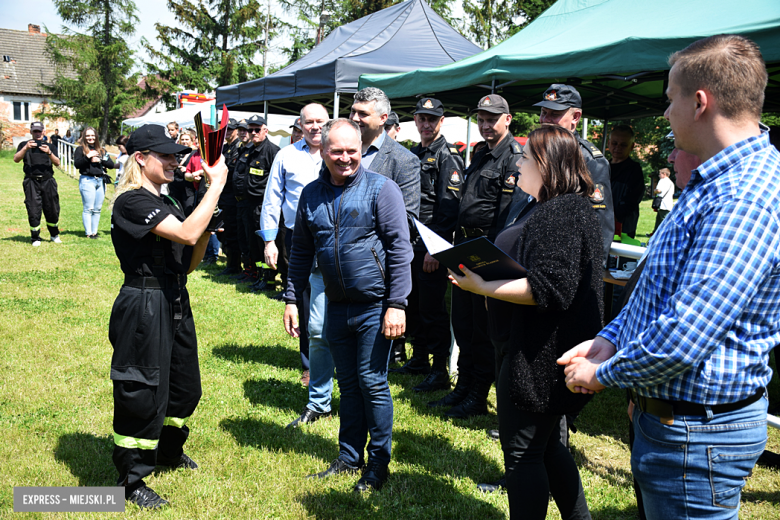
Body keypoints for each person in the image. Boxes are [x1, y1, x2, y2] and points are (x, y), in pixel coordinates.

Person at [559, 34, 779, 520]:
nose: (664, 115)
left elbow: (685, 333)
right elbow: (658, 288)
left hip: (696, 436)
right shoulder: (717, 181)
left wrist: (602, 374)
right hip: (680, 426)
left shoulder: (745, 195)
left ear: (700, 102)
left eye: (670, 100)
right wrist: (610, 340)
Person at [451, 125, 601, 520]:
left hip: (539, 353)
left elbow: (551, 288)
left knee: (522, 454)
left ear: (547, 165)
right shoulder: (557, 206)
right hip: (537, 348)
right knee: (548, 448)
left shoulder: (560, 212)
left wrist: (484, 286)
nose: (518, 165)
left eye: (526, 159)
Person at [283, 118, 412, 492]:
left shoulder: (381, 189)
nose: (345, 158)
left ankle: (378, 465)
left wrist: (397, 304)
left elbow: (400, 248)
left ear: (362, 150)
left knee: (372, 383)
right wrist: (291, 298)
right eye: (336, 151)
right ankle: (349, 456)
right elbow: (301, 252)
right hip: (336, 305)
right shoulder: (311, 195)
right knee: (350, 386)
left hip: (376, 306)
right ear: (323, 151)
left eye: (352, 151)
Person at [107, 124, 227, 509]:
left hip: (174, 297)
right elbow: (186, 234)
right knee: (142, 391)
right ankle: (130, 480)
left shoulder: (168, 201)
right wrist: (215, 187)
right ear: (141, 159)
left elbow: (189, 260)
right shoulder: (132, 201)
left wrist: (207, 228)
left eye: (177, 154)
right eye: (166, 155)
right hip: (144, 303)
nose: (175, 161)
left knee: (185, 387)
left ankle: (168, 452)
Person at [430, 94, 521, 419]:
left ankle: (478, 395)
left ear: (507, 120)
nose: (485, 125)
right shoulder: (481, 153)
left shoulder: (513, 158)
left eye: (492, 119)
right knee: (464, 325)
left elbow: (507, 217)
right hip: (464, 251)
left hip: (487, 255)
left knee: (482, 330)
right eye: (481, 119)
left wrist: (493, 265)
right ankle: (463, 388)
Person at [260, 103, 330, 415]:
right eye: (309, 122)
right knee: (301, 298)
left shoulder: (338, 151)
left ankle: (336, 357)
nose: (315, 127)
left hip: (333, 237)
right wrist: (270, 240)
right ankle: (310, 364)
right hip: (295, 237)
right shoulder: (286, 155)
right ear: (299, 125)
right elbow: (273, 196)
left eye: (320, 121)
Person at [391, 97, 462, 394]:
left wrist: (436, 249)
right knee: (416, 305)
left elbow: (449, 208)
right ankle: (419, 358)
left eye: (432, 119)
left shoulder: (449, 156)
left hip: (432, 245)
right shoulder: (413, 153)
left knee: (433, 309)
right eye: (421, 118)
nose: (426, 124)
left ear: (441, 122)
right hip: (412, 243)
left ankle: (438, 369)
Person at [349, 87, 421, 364]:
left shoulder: (404, 160)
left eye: (362, 113)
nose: (354, 117)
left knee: (371, 355)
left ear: (383, 118)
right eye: (353, 111)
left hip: (376, 265)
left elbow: (409, 218)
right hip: (340, 263)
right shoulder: (342, 151)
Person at [534, 84, 615, 263]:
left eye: (554, 114)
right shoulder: (536, 153)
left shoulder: (589, 160)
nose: (545, 120)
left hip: (565, 264)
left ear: (575, 117)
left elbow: (599, 226)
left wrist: (589, 279)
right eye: (543, 112)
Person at [233, 115, 280, 288]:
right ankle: (259, 275)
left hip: (262, 205)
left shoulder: (272, 151)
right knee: (252, 243)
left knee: (263, 243)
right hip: (248, 204)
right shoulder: (250, 149)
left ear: (265, 131)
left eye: (256, 130)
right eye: (250, 129)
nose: (253, 133)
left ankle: (269, 278)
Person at [14, 121, 62, 246]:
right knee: (33, 209)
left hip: (48, 180)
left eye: (39, 131)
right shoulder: (24, 145)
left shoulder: (50, 146)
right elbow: (16, 159)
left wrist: (49, 153)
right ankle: (35, 237)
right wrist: (26, 148)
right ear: (31, 132)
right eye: (35, 131)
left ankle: (54, 235)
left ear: (44, 132)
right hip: (31, 181)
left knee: (52, 208)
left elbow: (57, 163)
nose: (37, 134)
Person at [216, 119, 247, 276]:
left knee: (232, 232)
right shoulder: (226, 147)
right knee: (224, 230)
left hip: (233, 195)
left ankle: (234, 265)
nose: (227, 133)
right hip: (224, 194)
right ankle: (231, 263)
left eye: (230, 130)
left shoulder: (238, 147)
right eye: (225, 130)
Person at [74, 126, 116, 238]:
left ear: (96, 136)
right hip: (87, 180)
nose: (90, 138)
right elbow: (77, 164)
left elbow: (111, 165)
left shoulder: (101, 150)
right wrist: (88, 157)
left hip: (100, 181)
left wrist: (100, 160)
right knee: (89, 208)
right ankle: (88, 233)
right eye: (87, 136)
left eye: (92, 135)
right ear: (84, 137)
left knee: (97, 209)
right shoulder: (80, 150)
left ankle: (94, 232)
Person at [608, 125, 645, 238]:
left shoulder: (634, 170)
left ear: (631, 146)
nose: (618, 148)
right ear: (609, 143)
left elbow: (632, 200)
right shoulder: (602, 167)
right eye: (614, 143)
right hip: (602, 223)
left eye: (623, 145)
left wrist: (613, 216)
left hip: (623, 226)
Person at [650, 167, 674, 234]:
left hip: (663, 204)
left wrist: (654, 191)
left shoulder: (662, 180)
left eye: (660, 174)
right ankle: (655, 233)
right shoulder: (671, 183)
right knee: (659, 219)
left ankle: (661, 233)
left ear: (664, 174)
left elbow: (658, 190)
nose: (659, 175)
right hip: (668, 204)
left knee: (663, 220)